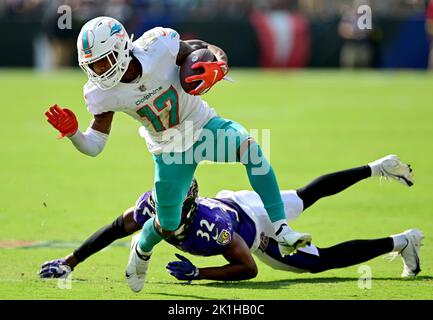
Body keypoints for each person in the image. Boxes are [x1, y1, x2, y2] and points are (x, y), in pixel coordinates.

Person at [43, 16, 312, 292]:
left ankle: (281, 229)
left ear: (122, 47)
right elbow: (95, 146)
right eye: (92, 65)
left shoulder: (159, 46)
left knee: (251, 151)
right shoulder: (101, 93)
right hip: (169, 149)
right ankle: (142, 247)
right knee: (168, 223)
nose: (99, 70)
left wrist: (219, 65)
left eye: (103, 61)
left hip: (203, 126)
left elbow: (206, 47)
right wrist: (75, 133)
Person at [39, 154, 423, 285]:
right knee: (307, 195)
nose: (161, 213)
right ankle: (376, 167)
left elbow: (248, 266)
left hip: (251, 228)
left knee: (318, 263)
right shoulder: (149, 206)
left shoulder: (211, 229)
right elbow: (112, 229)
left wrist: (199, 276)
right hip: (239, 200)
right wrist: (70, 262)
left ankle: (402, 241)